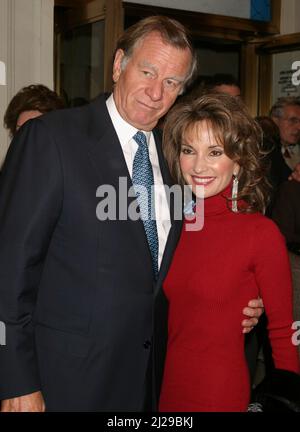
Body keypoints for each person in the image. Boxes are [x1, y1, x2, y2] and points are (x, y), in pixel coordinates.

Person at [0, 16, 263, 412]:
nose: (156, 92)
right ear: (119, 64)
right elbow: (9, 268)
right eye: (148, 71)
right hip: (65, 382)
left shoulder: (178, 158)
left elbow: (189, 257)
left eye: (172, 82)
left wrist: (239, 297)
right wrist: (15, 379)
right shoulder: (51, 139)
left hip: (152, 382)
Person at [158, 93, 299, 412]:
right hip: (167, 390)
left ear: (238, 161)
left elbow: (282, 331)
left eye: (215, 152)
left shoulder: (260, 233)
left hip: (219, 393)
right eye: (188, 150)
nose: (198, 166)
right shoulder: (173, 225)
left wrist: (287, 402)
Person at [270, 97, 300, 185]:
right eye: (293, 120)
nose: (299, 127)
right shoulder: (266, 154)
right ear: (275, 121)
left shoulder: (293, 152)